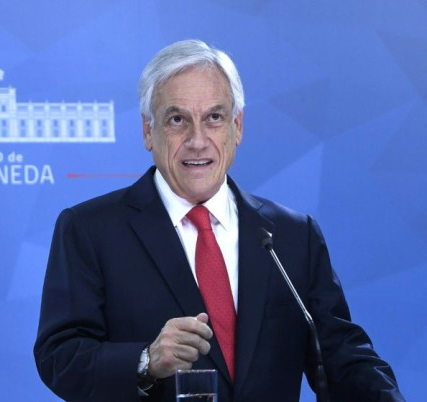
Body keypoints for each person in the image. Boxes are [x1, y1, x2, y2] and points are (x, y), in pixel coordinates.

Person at [33, 39, 404, 401]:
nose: (198, 140)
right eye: (177, 120)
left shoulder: (292, 236)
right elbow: (60, 359)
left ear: (237, 127)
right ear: (149, 130)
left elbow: (340, 355)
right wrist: (145, 361)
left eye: (214, 118)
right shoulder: (90, 230)